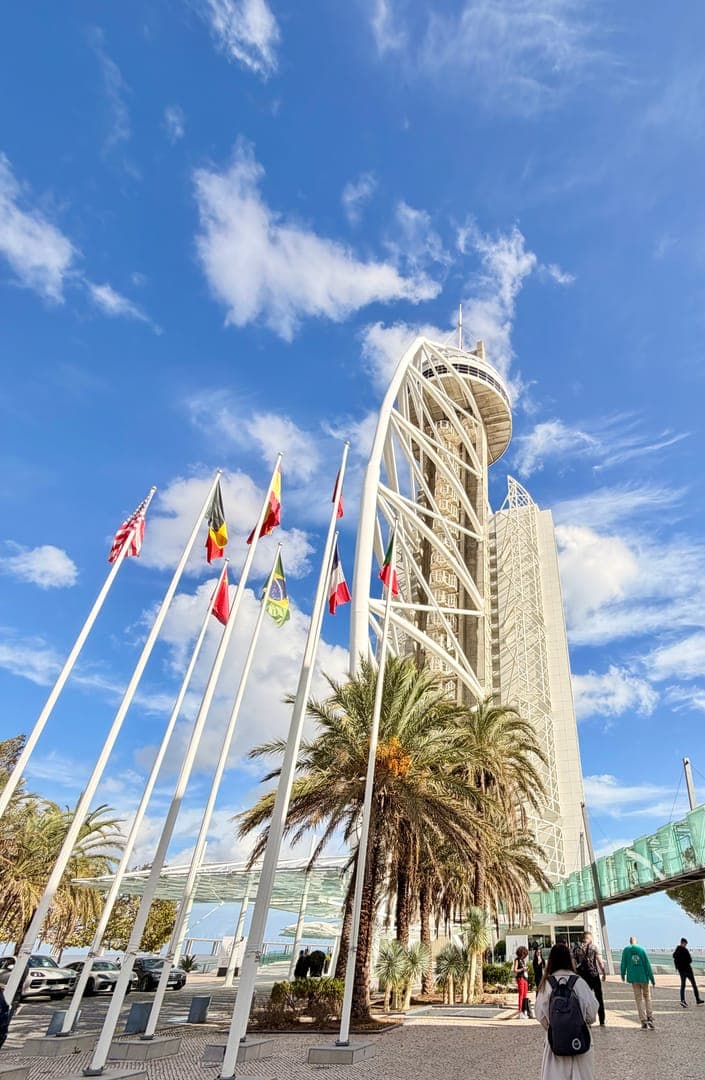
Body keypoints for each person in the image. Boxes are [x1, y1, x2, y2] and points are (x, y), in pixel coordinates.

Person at [535, 943, 597, 1080]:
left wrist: (556, 1025)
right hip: (580, 1043)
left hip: (556, 1044)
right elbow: (592, 1014)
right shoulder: (579, 982)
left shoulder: (546, 984)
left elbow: (539, 1014)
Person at [620, 936, 655, 1029]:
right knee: (647, 997)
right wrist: (652, 978)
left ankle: (643, 1020)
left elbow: (623, 963)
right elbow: (647, 964)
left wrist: (622, 974)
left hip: (633, 978)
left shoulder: (626, 950)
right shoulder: (641, 950)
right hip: (643, 977)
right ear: (636, 941)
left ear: (629, 941)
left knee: (638, 999)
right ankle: (650, 1017)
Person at [572, 932, 607, 1026]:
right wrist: (603, 973)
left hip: (582, 976)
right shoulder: (594, 947)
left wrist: (575, 974)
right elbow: (600, 962)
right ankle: (602, 1020)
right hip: (593, 975)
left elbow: (574, 964)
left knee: (584, 998)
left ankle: (586, 1020)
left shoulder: (576, 949)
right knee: (599, 997)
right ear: (589, 938)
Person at [672, 937, 704, 1008]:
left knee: (683, 985)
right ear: (683, 943)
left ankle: (682, 1000)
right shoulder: (685, 950)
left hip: (681, 971)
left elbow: (674, 958)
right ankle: (698, 999)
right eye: (685, 944)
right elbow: (690, 960)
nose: (686, 945)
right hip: (688, 970)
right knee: (694, 985)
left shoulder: (676, 951)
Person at [512, 945, 530, 1019]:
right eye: (523, 954)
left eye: (525, 954)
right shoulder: (517, 960)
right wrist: (523, 969)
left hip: (525, 978)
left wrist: (526, 969)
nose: (524, 955)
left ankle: (524, 1010)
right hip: (520, 978)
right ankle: (520, 1012)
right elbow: (515, 970)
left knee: (525, 995)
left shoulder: (523, 960)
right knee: (521, 995)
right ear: (520, 953)